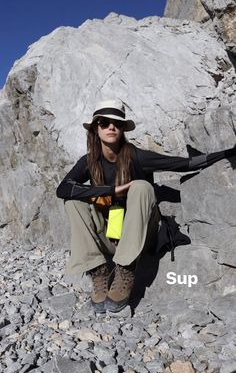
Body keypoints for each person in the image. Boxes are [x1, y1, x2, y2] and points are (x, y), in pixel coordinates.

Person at [56, 99, 236, 313]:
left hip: (142, 234)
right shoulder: (89, 162)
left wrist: (229, 153)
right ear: (96, 128)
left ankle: (125, 270)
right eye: (104, 122)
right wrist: (112, 191)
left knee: (141, 187)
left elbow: (183, 164)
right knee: (74, 201)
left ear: (123, 129)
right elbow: (63, 189)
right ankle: (99, 270)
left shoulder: (136, 156)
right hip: (111, 234)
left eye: (117, 123)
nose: (111, 127)